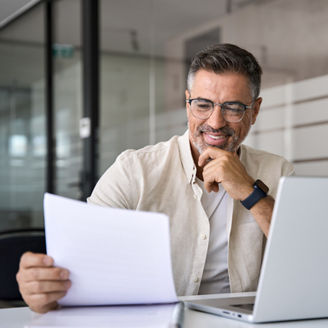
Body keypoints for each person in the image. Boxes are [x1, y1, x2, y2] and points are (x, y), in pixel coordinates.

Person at [16, 43, 294, 313]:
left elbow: (310, 262)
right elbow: (80, 267)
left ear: (254, 110)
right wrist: (44, 291)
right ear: (187, 103)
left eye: (233, 107)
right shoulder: (133, 171)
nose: (216, 122)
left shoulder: (278, 172)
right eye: (203, 105)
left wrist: (249, 191)